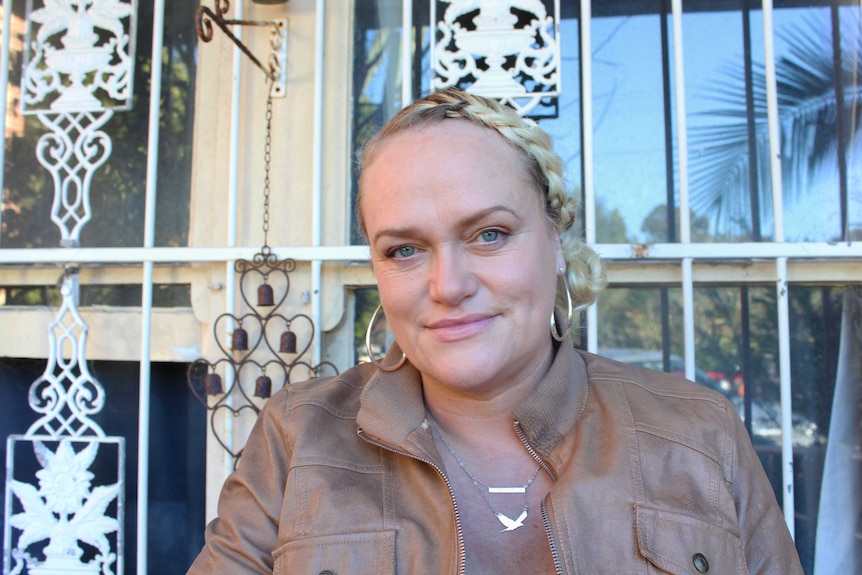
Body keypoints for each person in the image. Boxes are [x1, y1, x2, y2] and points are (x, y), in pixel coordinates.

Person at [188, 88, 803, 574]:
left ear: (557, 242)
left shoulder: (696, 433)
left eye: (489, 234)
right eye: (404, 250)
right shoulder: (298, 436)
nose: (447, 285)